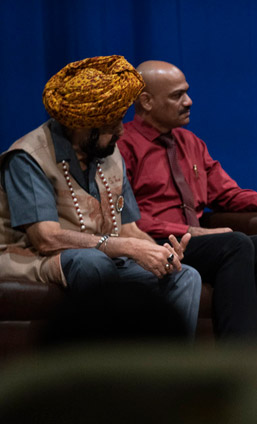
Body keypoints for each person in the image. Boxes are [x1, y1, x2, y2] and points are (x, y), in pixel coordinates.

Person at [0, 55, 202, 338]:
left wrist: (162, 254)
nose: (121, 130)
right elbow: (45, 238)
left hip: (100, 256)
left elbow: (130, 228)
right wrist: (127, 247)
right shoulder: (29, 156)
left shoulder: (108, 151)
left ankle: (166, 375)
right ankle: (105, 375)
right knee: (91, 262)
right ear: (83, 126)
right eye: (112, 124)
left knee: (184, 275)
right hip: (33, 257)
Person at [118, 60, 257, 344]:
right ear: (146, 101)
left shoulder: (191, 142)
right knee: (234, 245)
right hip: (153, 242)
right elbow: (123, 217)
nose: (189, 101)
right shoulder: (123, 146)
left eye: (187, 92)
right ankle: (239, 360)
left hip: (196, 244)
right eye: (177, 96)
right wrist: (193, 232)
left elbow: (227, 193)